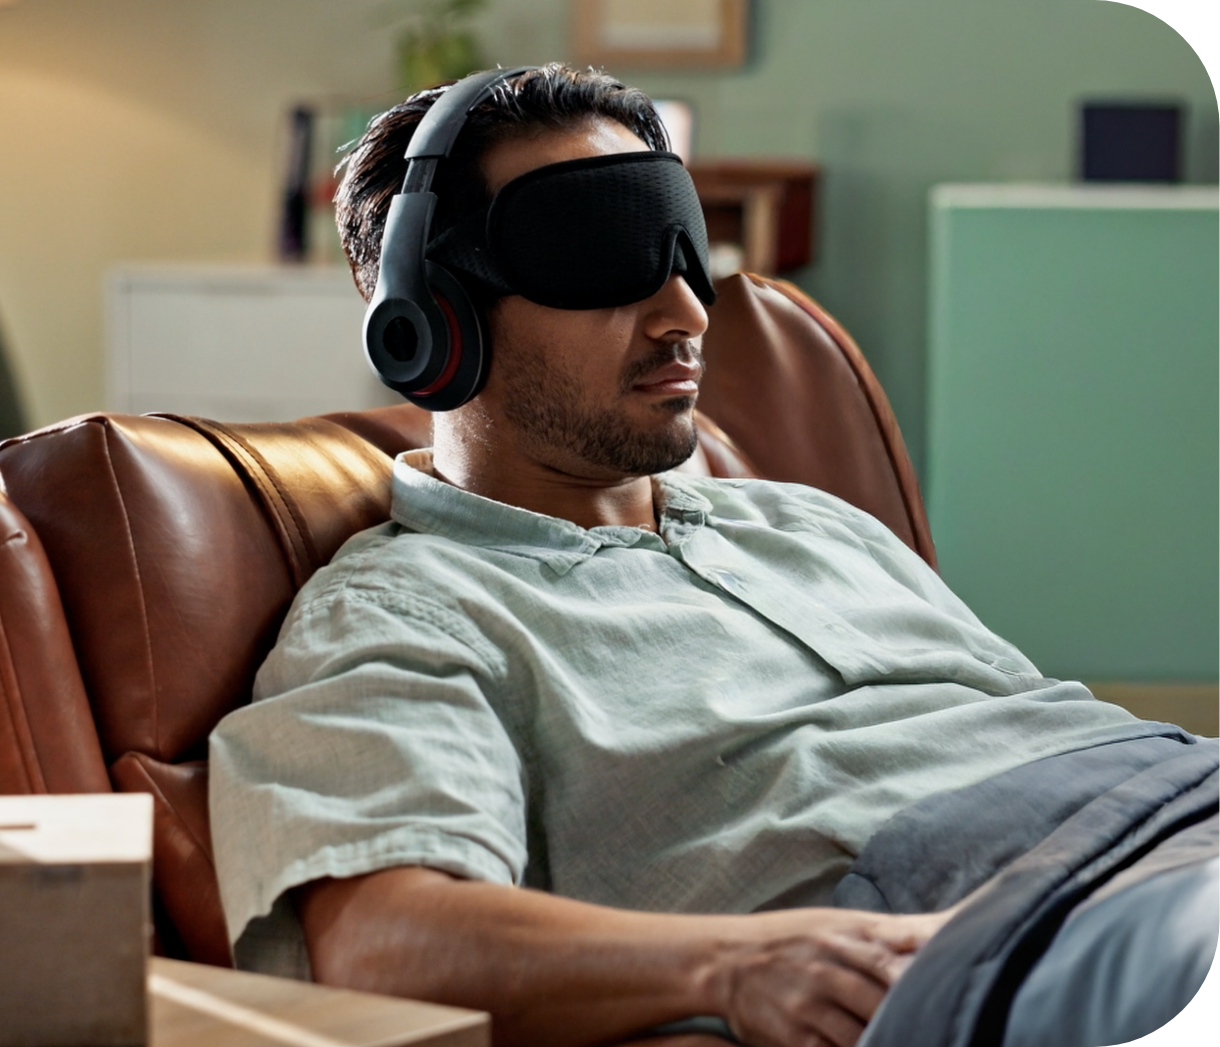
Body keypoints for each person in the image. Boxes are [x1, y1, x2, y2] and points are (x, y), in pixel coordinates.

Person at [208, 64, 1213, 1047]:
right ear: (432, 320)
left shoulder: (806, 522)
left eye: (683, 252)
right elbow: (384, 942)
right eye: (601, 256)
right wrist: (736, 965)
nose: (686, 314)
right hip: (1033, 935)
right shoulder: (408, 611)